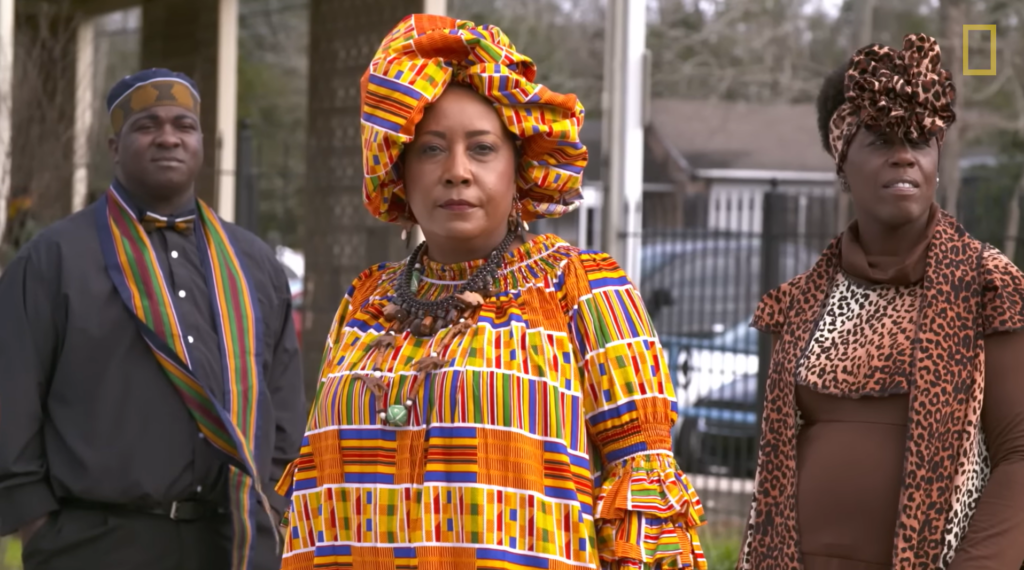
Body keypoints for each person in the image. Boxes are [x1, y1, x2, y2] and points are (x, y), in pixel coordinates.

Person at [275, 14, 707, 570]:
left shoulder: (581, 293)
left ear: (518, 166)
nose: (456, 171)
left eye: (481, 149)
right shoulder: (365, 305)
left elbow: (644, 506)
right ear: (400, 170)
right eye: (431, 150)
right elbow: (316, 510)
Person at [737, 34, 1024, 570]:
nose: (903, 156)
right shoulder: (800, 305)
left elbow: (1020, 454)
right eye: (881, 139)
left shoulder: (988, 287)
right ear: (842, 161)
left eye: (919, 140)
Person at [0, 68, 306, 570]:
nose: (168, 136)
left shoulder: (254, 264)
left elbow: (286, 405)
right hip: (93, 546)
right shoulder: (51, 262)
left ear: (202, 141)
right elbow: (11, 402)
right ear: (115, 144)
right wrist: (38, 528)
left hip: (232, 543)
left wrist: (272, 502)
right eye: (148, 125)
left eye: (184, 125)